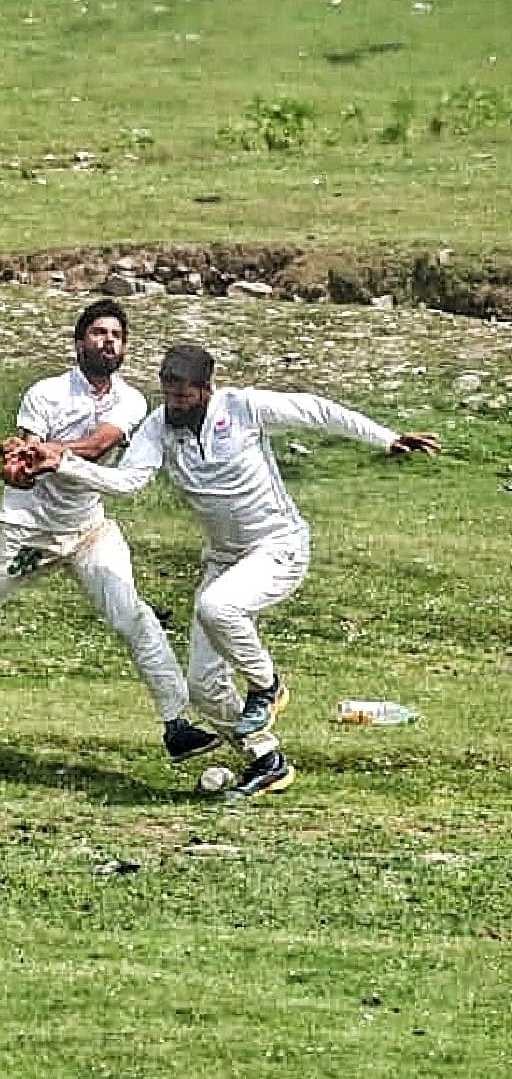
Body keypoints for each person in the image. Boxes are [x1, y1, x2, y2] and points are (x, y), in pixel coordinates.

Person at [23, 342, 441, 799]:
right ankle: (267, 760)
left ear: (207, 388)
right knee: (203, 688)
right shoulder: (160, 426)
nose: (175, 404)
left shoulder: (242, 407)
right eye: (168, 393)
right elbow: (128, 481)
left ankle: (269, 685)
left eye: (184, 395)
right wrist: (63, 463)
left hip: (277, 546)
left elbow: (316, 411)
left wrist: (386, 438)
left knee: (217, 606)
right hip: (225, 558)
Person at [0, 301, 220, 764]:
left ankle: (177, 725)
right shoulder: (45, 394)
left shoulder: (131, 400)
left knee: (135, 618)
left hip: (89, 529)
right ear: (78, 343)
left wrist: (48, 453)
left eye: (116, 335)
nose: (108, 341)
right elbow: (17, 471)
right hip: (31, 531)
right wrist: (20, 466)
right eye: (98, 333)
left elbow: (100, 444)